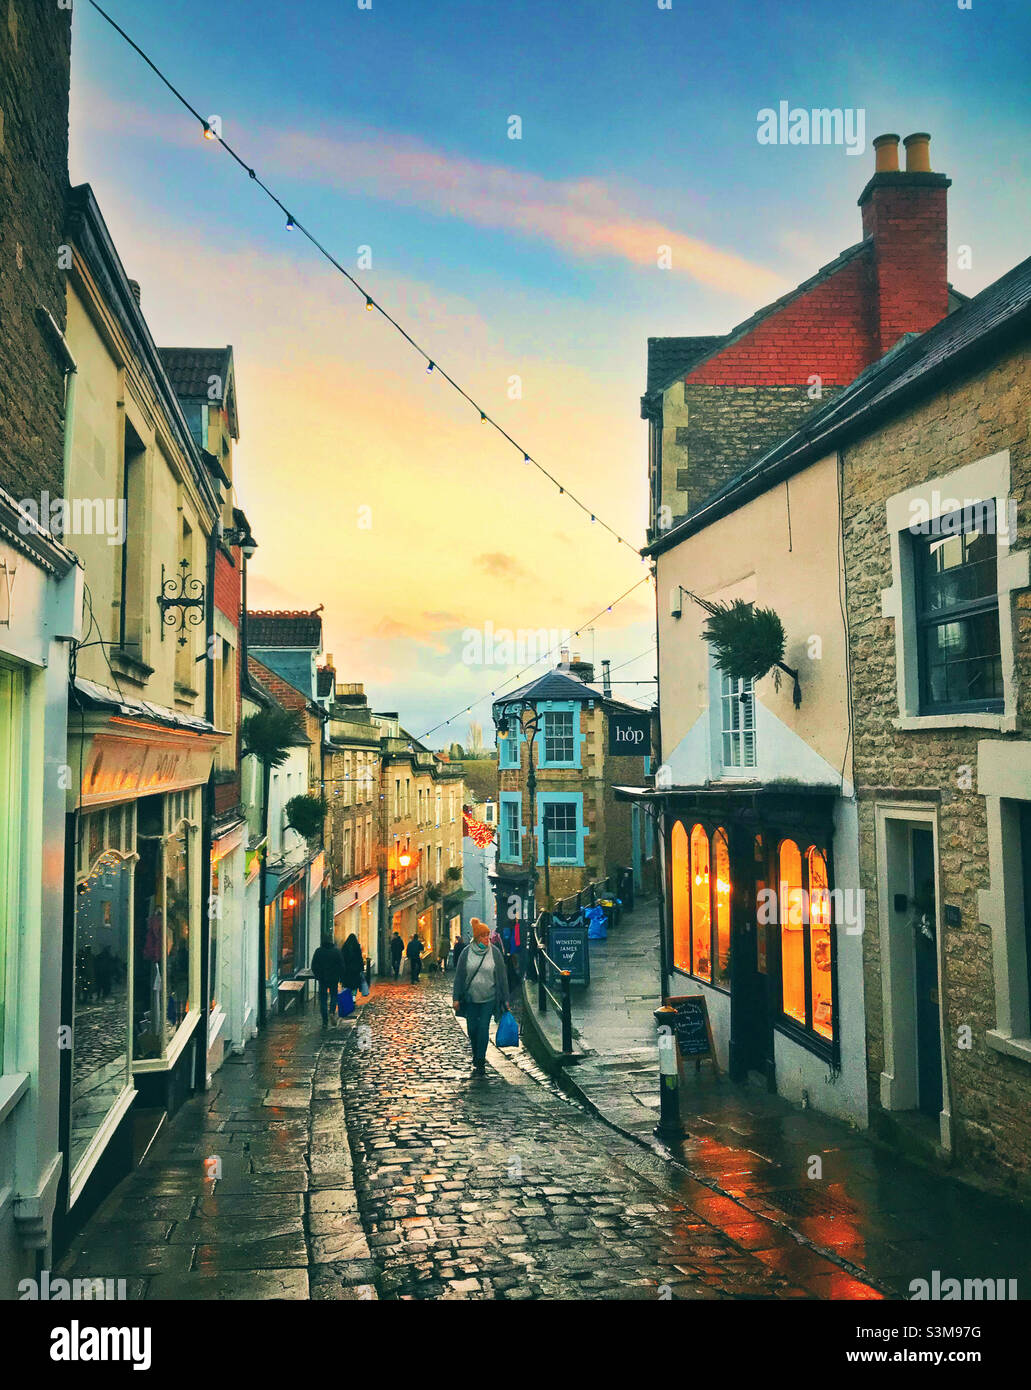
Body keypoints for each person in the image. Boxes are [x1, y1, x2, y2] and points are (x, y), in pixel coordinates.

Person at [452, 918, 511, 1075]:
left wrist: (506, 999)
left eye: (488, 935)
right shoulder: (466, 953)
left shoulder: (495, 953)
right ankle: (475, 1052)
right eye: (484, 936)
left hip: (489, 998)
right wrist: (456, 998)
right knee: (472, 1029)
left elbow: (502, 977)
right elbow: (459, 976)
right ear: (477, 938)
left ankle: (480, 1059)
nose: (487, 938)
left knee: (483, 1027)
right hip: (471, 998)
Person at [310, 936, 345, 1029]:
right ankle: (332, 1012)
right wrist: (340, 976)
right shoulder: (336, 951)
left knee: (323, 999)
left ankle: (325, 1021)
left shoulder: (318, 951)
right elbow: (341, 965)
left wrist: (318, 976)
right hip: (334, 979)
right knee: (334, 996)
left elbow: (314, 965)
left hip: (323, 979)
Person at [341, 932, 365, 1000]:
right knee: (354, 984)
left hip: (347, 970)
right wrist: (361, 968)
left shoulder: (345, 947)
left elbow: (342, 958)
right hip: (355, 970)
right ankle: (353, 997)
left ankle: (347, 997)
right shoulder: (357, 947)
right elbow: (360, 959)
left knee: (347, 984)